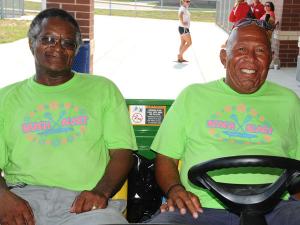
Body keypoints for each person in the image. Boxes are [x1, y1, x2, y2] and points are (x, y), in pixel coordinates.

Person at [148, 19, 300, 225]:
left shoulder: (289, 102)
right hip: (199, 208)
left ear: (270, 58)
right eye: (241, 49)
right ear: (223, 57)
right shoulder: (192, 97)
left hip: (276, 209)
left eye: (261, 51)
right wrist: (176, 190)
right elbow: (166, 159)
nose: (251, 59)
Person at [0, 8, 137, 225]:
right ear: (31, 43)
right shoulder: (6, 98)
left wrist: (100, 193)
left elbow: (122, 153)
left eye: (68, 43)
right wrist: (2, 197)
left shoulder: (103, 90)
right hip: (21, 200)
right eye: (48, 39)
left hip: (85, 204)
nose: (58, 48)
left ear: (76, 51)